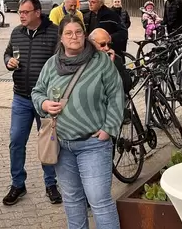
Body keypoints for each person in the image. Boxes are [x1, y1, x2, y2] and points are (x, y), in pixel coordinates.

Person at [32, 16, 124, 229]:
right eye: (69, 33)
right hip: (62, 144)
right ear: (61, 38)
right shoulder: (51, 64)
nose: (74, 37)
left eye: (78, 32)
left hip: (93, 144)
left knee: (99, 201)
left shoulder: (99, 62)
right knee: (72, 199)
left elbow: (116, 95)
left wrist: (108, 129)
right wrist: (44, 104)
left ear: (85, 35)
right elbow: (37, 91)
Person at [1, 0, 62, 206]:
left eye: (25, 12)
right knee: (16, 141)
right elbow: (7, 53)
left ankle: (50, 184)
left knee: (48, 142)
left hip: (44, 100)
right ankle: (18, 183)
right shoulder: (16, 32)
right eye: (20, 12)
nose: (21, 16)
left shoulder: (54, 32)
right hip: (21, 98)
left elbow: (61, 62)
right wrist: (8, 61)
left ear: (37, 12)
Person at [88, 28, 133, 94]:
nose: (107, 48)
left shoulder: (116, 59)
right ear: (91, 44)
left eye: (109, 44)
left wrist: (112, 66)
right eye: (102, 44)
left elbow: (126, 86)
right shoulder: (85, 60)